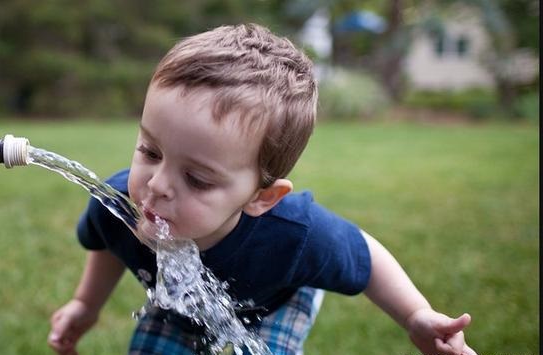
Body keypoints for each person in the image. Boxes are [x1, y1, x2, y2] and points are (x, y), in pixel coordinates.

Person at [48, 23, 477, 355]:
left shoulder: (295, 237)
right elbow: (108, 242)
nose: (157, 187)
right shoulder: (119, 202)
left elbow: (366, 256)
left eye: (197, 178)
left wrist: (416, 315)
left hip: (274, 296)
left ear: (261, 197)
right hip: (184, 297)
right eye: (150, 151)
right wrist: (87, 304)